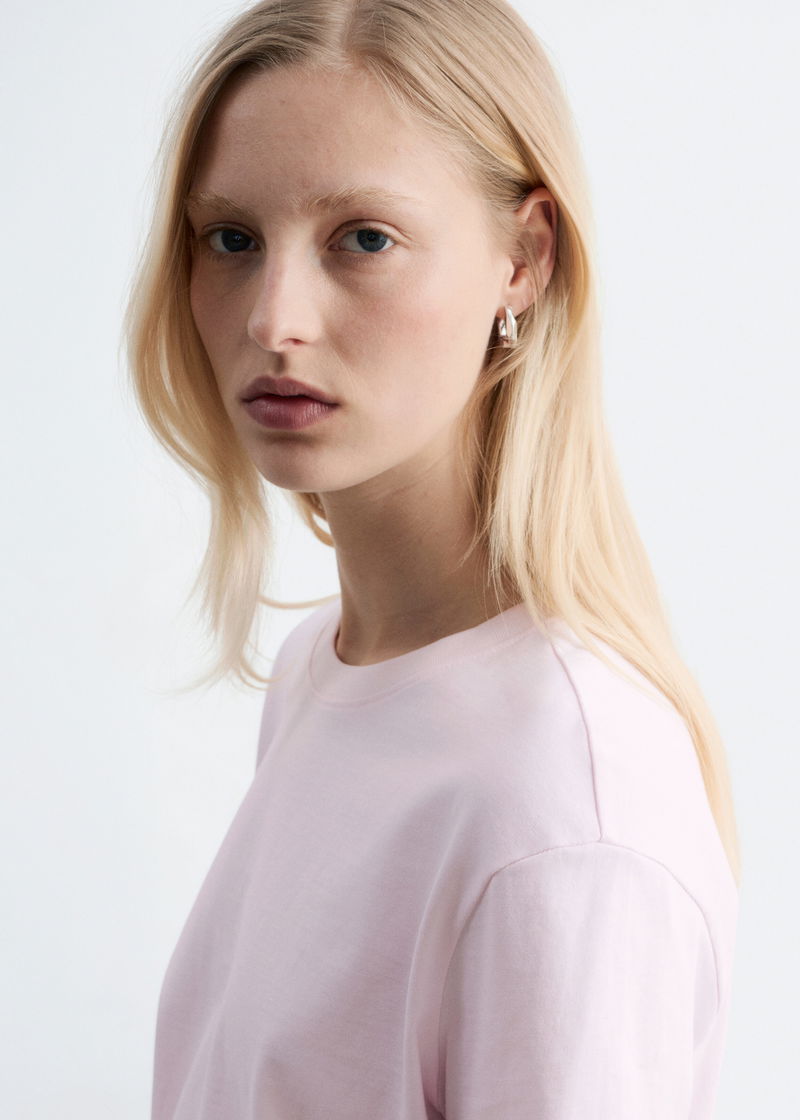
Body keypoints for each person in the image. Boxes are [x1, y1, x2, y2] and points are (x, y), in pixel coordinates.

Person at [122, 1, 741, 1116]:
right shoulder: (322, 668)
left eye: (363, 238)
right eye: (232, 239)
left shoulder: (563, 814)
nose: (272, 320)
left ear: (524, 260)